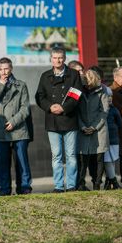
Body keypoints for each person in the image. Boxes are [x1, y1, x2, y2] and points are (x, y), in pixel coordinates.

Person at [35, 47, 83, 193]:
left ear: (65, 58)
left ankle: (71, 185)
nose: (58, 60)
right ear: (51, 59)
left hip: (69, 119)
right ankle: (58, 186)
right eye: (55, 58)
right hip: (52, 121)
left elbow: (76, 95)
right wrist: (50, 107)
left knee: (71, 155)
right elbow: (39, 97)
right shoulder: (45, 76)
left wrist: (64, 108)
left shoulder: (74, 75)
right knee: (56, 155)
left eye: (60, 57)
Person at [0, 58, 32, 196]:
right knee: (3, 163)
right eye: (1, 69)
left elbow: (25, 108)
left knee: (21, 161)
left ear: (11, 68)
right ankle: (5, 189)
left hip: (18, 128)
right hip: (0, 130)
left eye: (6, 69)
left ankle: (24, 187)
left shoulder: (21, 85)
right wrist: (0, 85)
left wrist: (14, 121)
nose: (4, 72)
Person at [77, 69, 109, 191]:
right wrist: (83, 126)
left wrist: (94, 127)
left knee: (99, 158)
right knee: (83, 159)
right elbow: (77, 112)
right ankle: (81, 184)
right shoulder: (79, 91)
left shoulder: (103, 90)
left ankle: (97, 184)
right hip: (83, 129)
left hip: (99, 130)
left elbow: (104, 111)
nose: (88, 83)